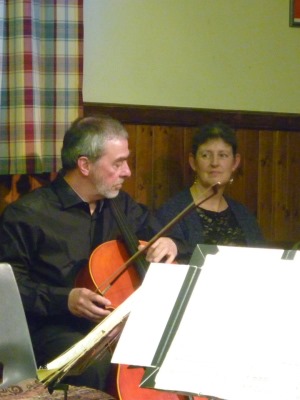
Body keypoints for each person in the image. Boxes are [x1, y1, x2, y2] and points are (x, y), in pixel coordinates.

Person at [0, 115, 185, 392]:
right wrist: (66, 300)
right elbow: (10, 291)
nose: (128, 172)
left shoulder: (121, 205)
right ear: (85, 165)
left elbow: (177, 239)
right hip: (53, 327)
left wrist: (171, 242)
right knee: (99, 370)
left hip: (118, 326)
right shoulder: (27, 215)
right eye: (118, 163)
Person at [155, 121, 265, 262]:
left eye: (223, 155)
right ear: (193, 162)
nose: (214, 163)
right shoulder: (172, 212)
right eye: (206, 155)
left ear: (235, 163)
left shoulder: (244, 215)